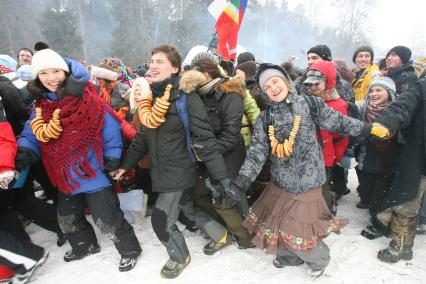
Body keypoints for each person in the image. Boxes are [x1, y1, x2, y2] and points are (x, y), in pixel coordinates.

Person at [225, 63, 374, 277]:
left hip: (309, 180)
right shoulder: (264, 119)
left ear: (285, 80)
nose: (273, 88)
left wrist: (367, 128)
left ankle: (319, 259)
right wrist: (241, 182)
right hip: (281, 182)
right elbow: (257, 154)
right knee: (281, 222)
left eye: (275, 81)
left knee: (299, 228)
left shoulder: (311, 104)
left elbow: (339, 122)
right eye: (267, 86)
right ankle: (290, 256)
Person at [15, 49, 141, 272]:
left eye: (55, 71)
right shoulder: (40, 105)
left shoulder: (87, 98)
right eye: (43, 73)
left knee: (108, 217)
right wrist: (25, 151)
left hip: (93, 171)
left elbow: (109, 129)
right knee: (67, 217)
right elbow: (32, 132)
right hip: (65, 174)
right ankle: (85, 245)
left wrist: (112, 157)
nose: (51, 78)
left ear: (65, 72)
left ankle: (129, 249)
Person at [113, 45, 230, 279]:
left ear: (175, 68)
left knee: (161, 219)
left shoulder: (186, 97)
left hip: (180, 168)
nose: (153, 66)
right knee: (187, 207)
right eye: (152, 61)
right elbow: (143, 137)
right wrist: (125, 165)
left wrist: (223, 177)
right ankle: (220, 235)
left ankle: (179, 256)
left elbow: (205, 138)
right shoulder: (150, 97)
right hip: (161, 169)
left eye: (160, 62)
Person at [369, 76, 426, 263]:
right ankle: (400, 248)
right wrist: (385, 122)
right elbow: (402, 105)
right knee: (407, 202)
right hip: (420, 158)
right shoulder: (422, 87)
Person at [355, 77, 400, 239]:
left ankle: (377, 223)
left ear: (389, 93)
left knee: (380, 192)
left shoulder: (397, 110)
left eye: (379, 90)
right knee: (366, 186)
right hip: (367, 154)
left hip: (387, 158)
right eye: (372, 90)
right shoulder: (363, 109)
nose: (374, 93)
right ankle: (369, 201)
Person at [303, 61, 350, 214]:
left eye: (316, 84)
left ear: (328, 82)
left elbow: (340, 137)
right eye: (309, 85)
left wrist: (337, 156)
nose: (312, 88)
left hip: (325, 155)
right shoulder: (307, 101)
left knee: (321, 185)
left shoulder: (338, 105)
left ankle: (326, 209)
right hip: (306, 152)